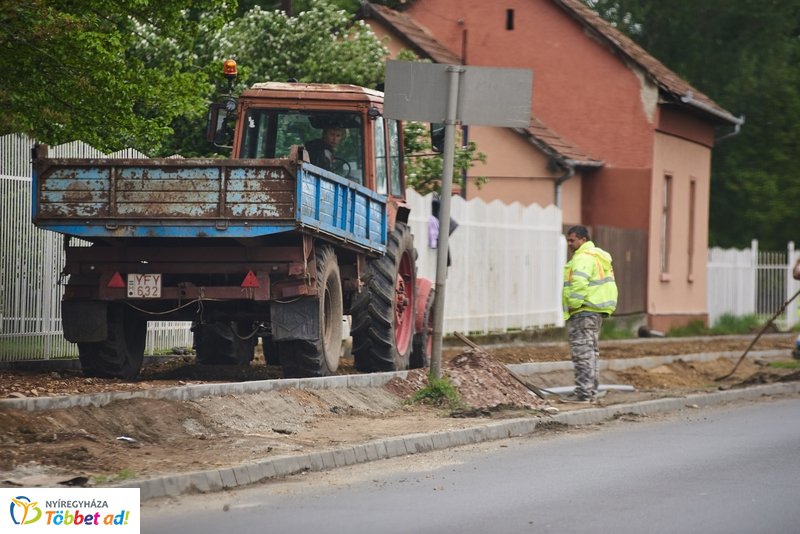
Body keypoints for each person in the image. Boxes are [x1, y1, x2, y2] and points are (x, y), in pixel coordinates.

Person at [561, 225, 618, 403]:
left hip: (583, 311)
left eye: (572, 240)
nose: (569, 244)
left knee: (582, 352)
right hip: (594, 311)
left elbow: (579, 284)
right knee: (591, 352)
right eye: (568, 240)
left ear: (583, 240)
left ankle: (584, 394)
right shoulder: (597, 256)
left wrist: (573, 304)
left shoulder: (582, 258)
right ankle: (589, 392)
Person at [428, 194, 458, 267]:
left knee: (444, 244)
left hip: (441, 224)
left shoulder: (437, 204)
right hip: (440, 224)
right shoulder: (437, 201)